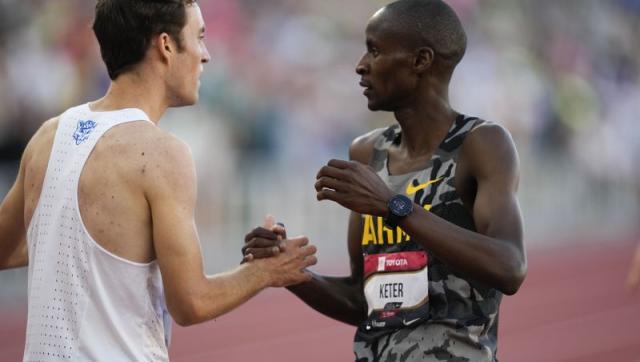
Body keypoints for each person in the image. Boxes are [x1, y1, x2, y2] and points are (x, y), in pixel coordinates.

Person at [0, 1, 317, 361]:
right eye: (199, 37)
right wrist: (266, 271)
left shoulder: (48, 135)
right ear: (165, 45)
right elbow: (192, 303)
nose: (206, 55)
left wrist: (65, 239)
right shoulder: (161, 154)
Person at [243, 0, 526, 360]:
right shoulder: (367, 152)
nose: (361, 66)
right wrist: (289, 272)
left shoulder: (481, 144)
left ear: (420, 60)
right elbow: (363, 300)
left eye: (375, 50)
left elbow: (510, 266)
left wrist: (394, 207)